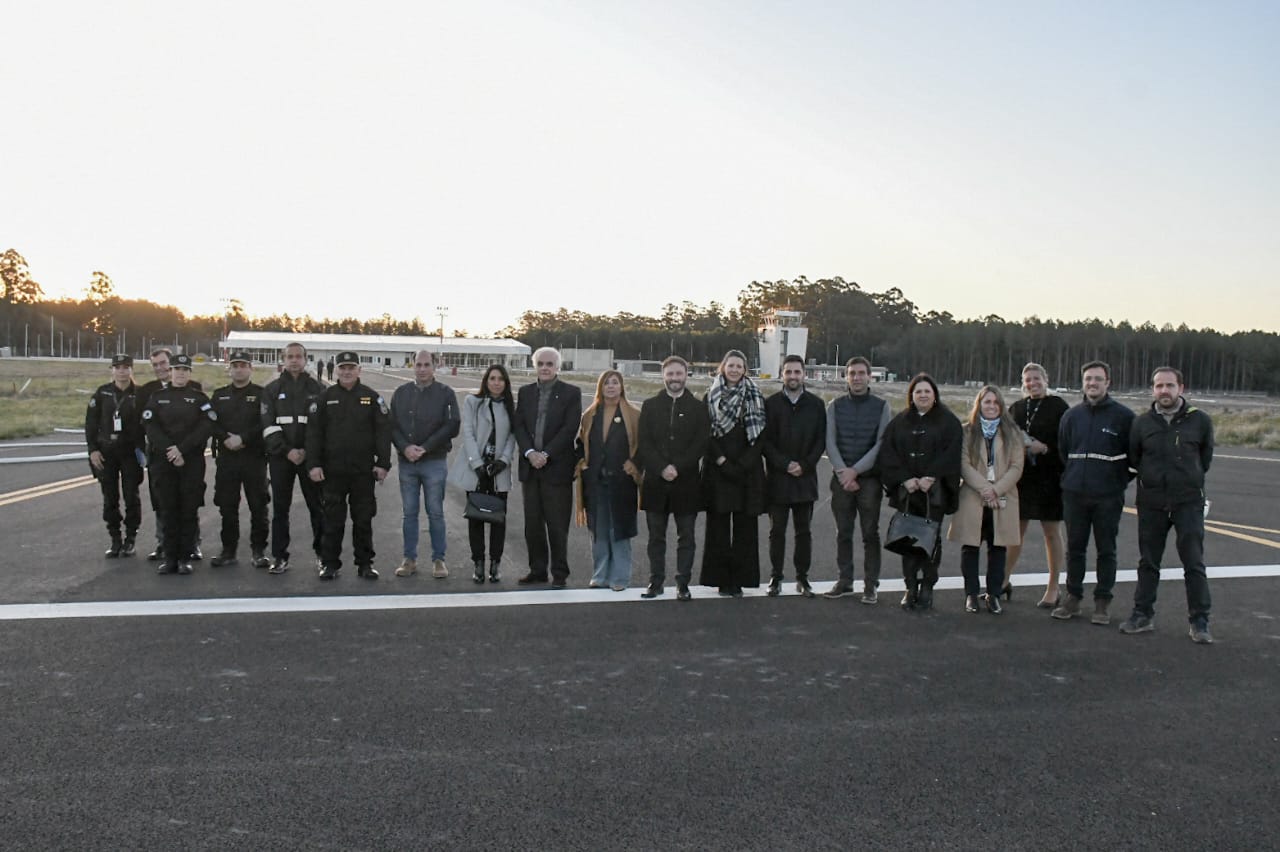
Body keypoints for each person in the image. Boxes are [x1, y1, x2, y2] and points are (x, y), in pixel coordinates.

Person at [1120, 367, 1215, 644]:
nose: (1164, 391)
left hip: (1188, 503)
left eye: (1169, 385)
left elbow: (1204, 459)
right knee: (1148, 562)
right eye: (1159, 386)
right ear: (1153, 389)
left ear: (1181, 388)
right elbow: (1135, 458)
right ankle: (1142, 614)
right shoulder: (1142, 424)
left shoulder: (1200, 421)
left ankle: (1200, 621)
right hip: (1151, 503)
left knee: (1194, 563)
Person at [1052, 360, 1135, 625]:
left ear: (1108, 382)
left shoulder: (1124, 417)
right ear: (1083, 382)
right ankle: (1073, 597)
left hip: (1108, 496)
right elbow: (1064, 452)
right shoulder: (1071, 416)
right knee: (1075, 548)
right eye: (1088, 379)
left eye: (1098, 379)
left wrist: (1115, 482)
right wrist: (1074, 478)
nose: (1092, 383)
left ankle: (1102, 602)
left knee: (1106, 549)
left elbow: (1133, 460)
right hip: (1075, 494)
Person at [878, 373, 963, 610]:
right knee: (908, 541)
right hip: (908, 493)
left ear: (934, 394)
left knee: (929, 540)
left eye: (927, 391)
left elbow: (951, 453)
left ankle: (927, 586)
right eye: (918, 392)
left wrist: (931, 476)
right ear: (911, 396)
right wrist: (905, 478)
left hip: (934, 494)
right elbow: (888, 452)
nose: (923, 395)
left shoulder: (949, 421)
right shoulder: (900, 422)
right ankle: (910, 586)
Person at [307, 351, 392, 580]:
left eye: (351, 368)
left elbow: (383, 432)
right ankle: (330, 564)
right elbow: (313, 434)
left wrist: (383, 464)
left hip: (362, 472)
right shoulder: (325, 398)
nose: (346, 372)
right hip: (332, 472)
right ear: (336, 370)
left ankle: (365, 564)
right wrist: (313, 465)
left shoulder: (372, 398)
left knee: (363, 520)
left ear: (359, 370)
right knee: (332, 521)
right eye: (342, 368)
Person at [637, 356, 710, 600]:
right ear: (663, 376)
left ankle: (683, 583)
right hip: (656, 483)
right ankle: (655, 581)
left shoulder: (698, 408)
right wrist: (661, 468)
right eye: (670, 374)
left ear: (686, 375)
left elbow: (700, 443)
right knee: (656, 537)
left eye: (679, 374)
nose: (674, 378)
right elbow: (644, 443)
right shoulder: (649, 406)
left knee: (686, 536)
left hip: (686, 482)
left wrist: (677, 467)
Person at [948, 385, 1025, 614]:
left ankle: (993, 594)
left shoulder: (1013, 434)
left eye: (995, 403)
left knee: (998, 547)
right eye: (986, 402)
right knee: (970, 546)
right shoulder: (967, 431)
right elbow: (963, 464)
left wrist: (997, 489)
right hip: (974, 495)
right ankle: (971, 594)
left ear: (1001, 406)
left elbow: (1017, 466)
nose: (991, 406)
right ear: (979, 405)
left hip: (1002, 497)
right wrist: (985, 489)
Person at [823, 356, 892, 603]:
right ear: (846, 376)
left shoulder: (882, 406)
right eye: (852, 373)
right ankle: (845, 580)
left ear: (869, 376)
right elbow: (829, 442)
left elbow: (881, 443)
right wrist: (844, 472)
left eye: (861, 373)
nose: (857, 377)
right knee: (843, 532)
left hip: (869, 481)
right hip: (842, 480)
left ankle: (871, 584)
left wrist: (857, 471)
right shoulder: (834, 406)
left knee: (869, 533)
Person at [513, 347, 583, 588]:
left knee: (557, 524)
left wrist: (547, 454)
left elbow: (570, 428)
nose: (545, 367)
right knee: (532, 524)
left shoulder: (571, 393)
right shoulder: (525, 393)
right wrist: (530, 453)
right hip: (531, 469)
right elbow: (519, 426)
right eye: (541, 363)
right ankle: (538, 569)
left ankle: (560, 573)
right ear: (535, 366)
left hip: (557, 469)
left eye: (549, 364)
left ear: (557, 367)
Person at [700, 349, 767, 597]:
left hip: (747, 472)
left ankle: (741, 579)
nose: (735, 370)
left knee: (745, 529)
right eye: (731, 365)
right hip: (718, 470)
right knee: (717, 528)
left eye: (739, 366)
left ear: (744, 369)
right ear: (723, 367)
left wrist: (744, 463)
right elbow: (704, 433)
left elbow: (760, 435)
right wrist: (721, 460)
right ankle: (719, 579)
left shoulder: (756, 395)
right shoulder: (710, 395)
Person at [391, 350, 460, 579]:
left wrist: (426, 448)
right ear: (413, 366)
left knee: (436, 513)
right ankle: (409, 559)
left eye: (426, 364)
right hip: (407, 462)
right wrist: (405, 447)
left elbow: (452, 425)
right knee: (409, 513)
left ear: (435, 366)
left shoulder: (446, 393)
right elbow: (392, 426)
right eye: (418, 364)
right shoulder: (401, 393)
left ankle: (438, 559)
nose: (422, 369)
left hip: (434, 461)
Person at [142, 354, 214, 575]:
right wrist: (171, 451)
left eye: (185, 369)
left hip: (190, 461)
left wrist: (182, 450)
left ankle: (185, 557)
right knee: (168, 509)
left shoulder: (199, 398)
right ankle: (170, 557)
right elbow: (150, 426)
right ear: (170, 372)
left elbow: (205, 426)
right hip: (164, 461)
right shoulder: (157, 397)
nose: (180, 373)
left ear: (190, 373)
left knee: (188, 509)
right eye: (176, 369)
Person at [761, 354, 827, 597]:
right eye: (788, 372)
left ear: (804, 374)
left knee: (804, 532)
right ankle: (775, 577)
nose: (792, 376)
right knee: (776, 532)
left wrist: (805, 465)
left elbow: (821, 440)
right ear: (782, 375)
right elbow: (765, 442)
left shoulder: (816, 405)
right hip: (778, 479)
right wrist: (784, 464)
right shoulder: (770, 404)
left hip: (805, 480)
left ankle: (802, 578)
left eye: (797, 372)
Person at [1006, 363, 1070, 607]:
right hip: (1022, 478)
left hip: (1050, 477)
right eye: (1028, 380)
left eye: (1036, 378)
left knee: (1051, 532)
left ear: (1046, 379)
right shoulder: (1017, 407)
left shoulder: (1058, 406)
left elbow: (1066, 441)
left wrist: (1044, 448)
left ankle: (1053, 587)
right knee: (1015, 532)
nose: (1032, 383)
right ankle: (1003, 579)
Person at [261, 341, 326, 574]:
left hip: (310, 459)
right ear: (283, 359)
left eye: (299, 356)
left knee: (317, 508)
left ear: (306, 359)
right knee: (280, 509)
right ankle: (279, 556)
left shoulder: (318, 390)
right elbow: (268, 427)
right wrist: (287, 450)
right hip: (281, 458)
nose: (294, 360)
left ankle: (322, 555)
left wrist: (308, 453)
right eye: (290, 356)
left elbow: (320, 428)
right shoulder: (271, 390)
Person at [448, 364, 517, 583]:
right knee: (476, 517)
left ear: (506, 383)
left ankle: (495, 564)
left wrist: (504, 461)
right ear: (486, 381)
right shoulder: (472, 402)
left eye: (500, 379)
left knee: (498, 519)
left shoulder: (510, 406)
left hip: (499, 470)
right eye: (492, 378)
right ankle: (478, 563)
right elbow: (467, 433)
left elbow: (512, 438)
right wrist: (477, 464)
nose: (496, 383)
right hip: (476, 469)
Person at [576, 370, 642, 591]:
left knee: (620, 530)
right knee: (599, 530)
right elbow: (579, 443)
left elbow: (643, 445)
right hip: (596, 481)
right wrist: (583, 465)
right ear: (600, 388)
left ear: (622, 387)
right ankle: (600, 575)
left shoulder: (633, 415)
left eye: (615, 383)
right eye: (607, 383)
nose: (611, 387)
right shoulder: (590, 414)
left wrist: (634, 465)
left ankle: (620, 578)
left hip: (623, 482)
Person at [208, 351, 271, 569]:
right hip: (227, 459)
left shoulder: (262, 394)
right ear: (230, 369)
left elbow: (265, 422)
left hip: (253, 457)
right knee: (227, 506)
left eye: (243, 365)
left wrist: (243, 439)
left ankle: (259, 551)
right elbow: (212, 422)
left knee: (259, 505)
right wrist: (225, 438)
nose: (239, 369)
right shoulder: (219, 395)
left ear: (250, 368)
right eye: (235, 365)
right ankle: (228, 551)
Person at [85, 354, 144, 558]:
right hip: (106, 452)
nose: (122, 371)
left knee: (131, 496)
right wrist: (92, 450)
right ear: (112, 370)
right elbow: (91, 424)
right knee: (110, 498)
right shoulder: (102, 393)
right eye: (117, 367)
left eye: (126, 367)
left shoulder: (140, 394)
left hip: (129, 453)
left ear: (131, 370)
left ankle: (130, 538)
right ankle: (115, 539)